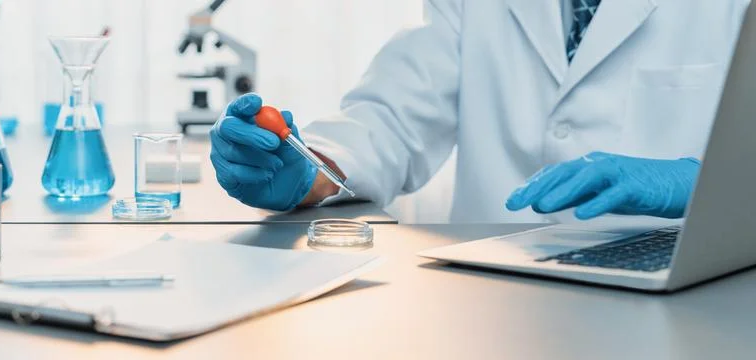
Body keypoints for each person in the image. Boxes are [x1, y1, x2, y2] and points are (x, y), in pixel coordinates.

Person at [210, 0, 750, 222]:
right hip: (491, 297)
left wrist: (711, 185)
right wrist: (314, 166)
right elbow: (393, 118)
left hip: (686, 304)